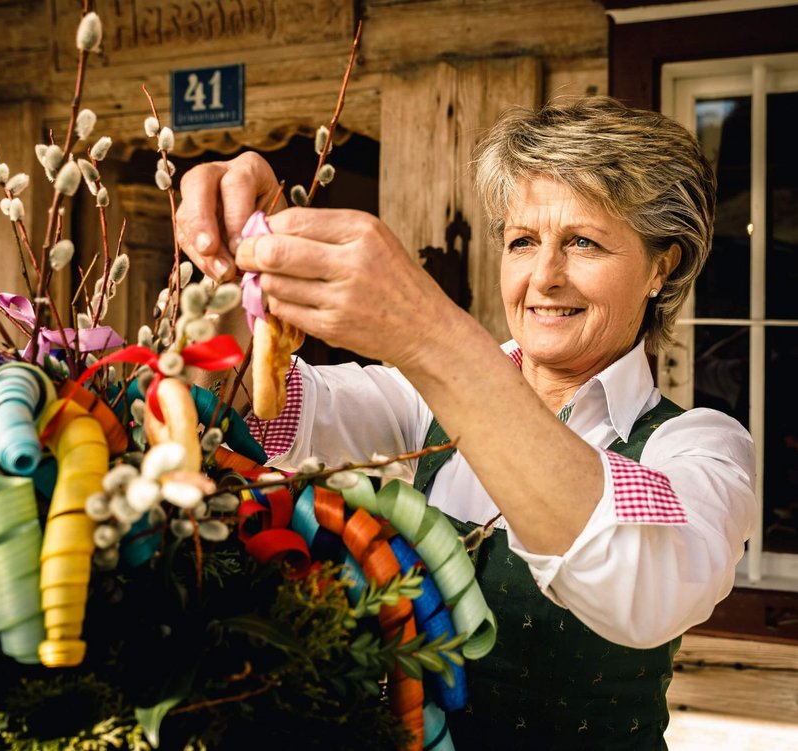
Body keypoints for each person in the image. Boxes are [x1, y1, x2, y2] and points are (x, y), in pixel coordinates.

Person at [175, 97, 756, 749]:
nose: (544, 276)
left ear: (661, 266)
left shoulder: (699, 447)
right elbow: (240, 414)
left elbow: (641, 585)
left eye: (584, 242)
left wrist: (430, 332)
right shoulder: (416, 404)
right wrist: (230, 263)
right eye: (523, 240)